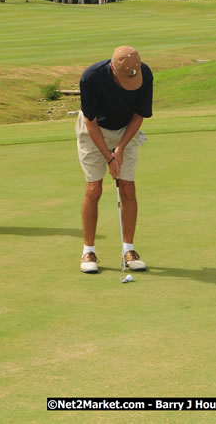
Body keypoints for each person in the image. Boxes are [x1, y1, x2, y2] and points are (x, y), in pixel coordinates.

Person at [75, 45, 153, 274]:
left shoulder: (145, 74)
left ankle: (129, 250)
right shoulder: (91, 77)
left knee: (128, 188)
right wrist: (109, 157)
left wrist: (119, 149)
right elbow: (90, 121)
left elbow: (139, 115)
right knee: (93, 187)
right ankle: (88, 250)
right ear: (113, 70)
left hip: (126, 130)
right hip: (94, 130)